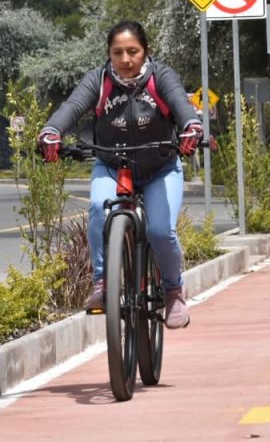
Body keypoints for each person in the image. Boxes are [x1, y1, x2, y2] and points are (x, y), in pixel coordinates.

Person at [37, 21, 204, 329]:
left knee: (160, 232)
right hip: (112, 165)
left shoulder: (161, 77)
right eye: (117, 53)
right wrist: (52, 131)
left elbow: (181, 105)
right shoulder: (98, 81)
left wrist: (191, 127)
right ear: (109, 54)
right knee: (99, 212)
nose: (126, 60)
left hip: (161, 167)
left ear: (146, 51)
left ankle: (173, 292)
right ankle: (103, 284)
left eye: (133, 52)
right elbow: (72, 106)